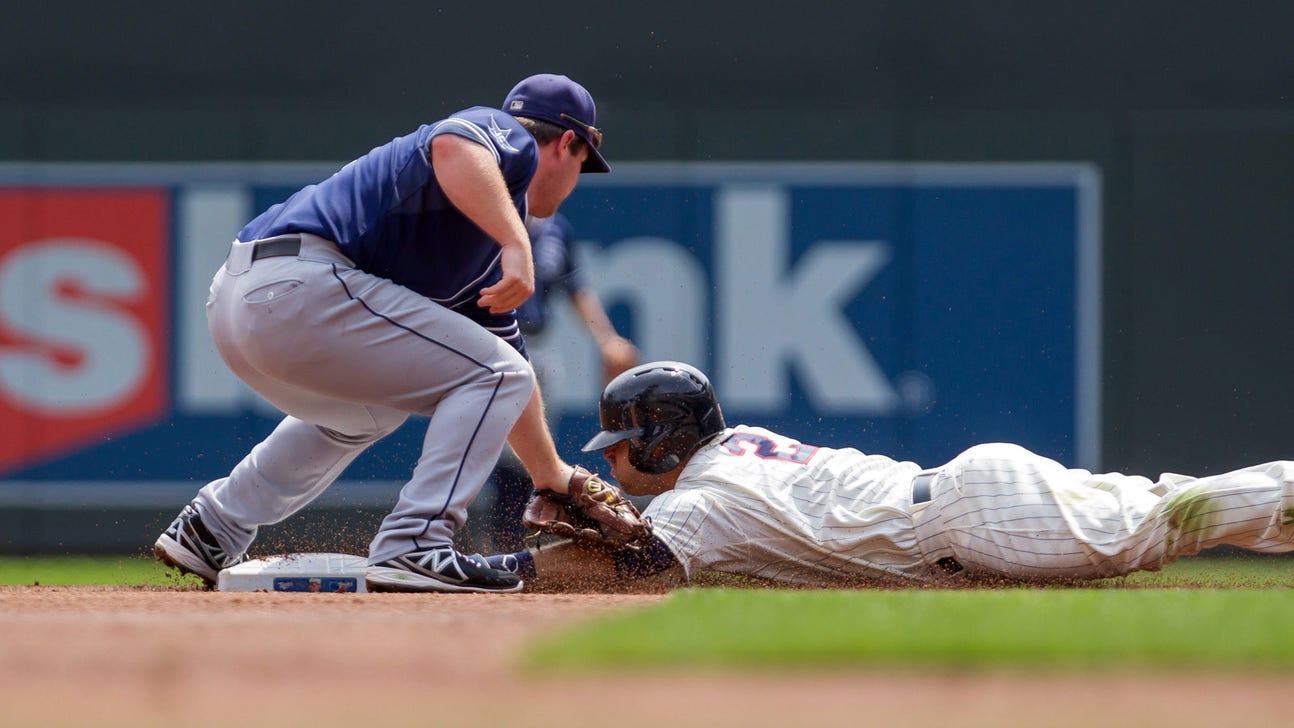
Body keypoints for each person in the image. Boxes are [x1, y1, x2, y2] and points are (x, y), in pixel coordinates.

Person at [153, 73, 612, 593]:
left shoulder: (479, 259)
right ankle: (415, 544)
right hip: (300, 286)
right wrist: (517, 241)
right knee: (496, 374)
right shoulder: (508, 137)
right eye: (582, 164)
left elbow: (511, 373)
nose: (578, 179)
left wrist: (552, 474)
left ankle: (215, 525)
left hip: (249, 306)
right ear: (569, 143)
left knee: (373, 413)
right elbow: (453, 145)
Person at [485, 360, 1294, 590]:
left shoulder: (707, 503)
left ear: (662, 440)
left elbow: (627, 570)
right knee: (1164, 502)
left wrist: (495, 571)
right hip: (973, 496)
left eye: (620, 447)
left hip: (973, 524)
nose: (613, 464)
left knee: (1164, 521)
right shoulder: (741, 451)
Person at [468, 211, 639, 552]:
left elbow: (575, 287)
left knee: (529, 450)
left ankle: (511, 545)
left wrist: (607, 338)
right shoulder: (484, 216)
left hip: (539, 344)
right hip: (490, 340)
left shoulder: (557, 227)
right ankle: (499, 544)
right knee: (501, 450)